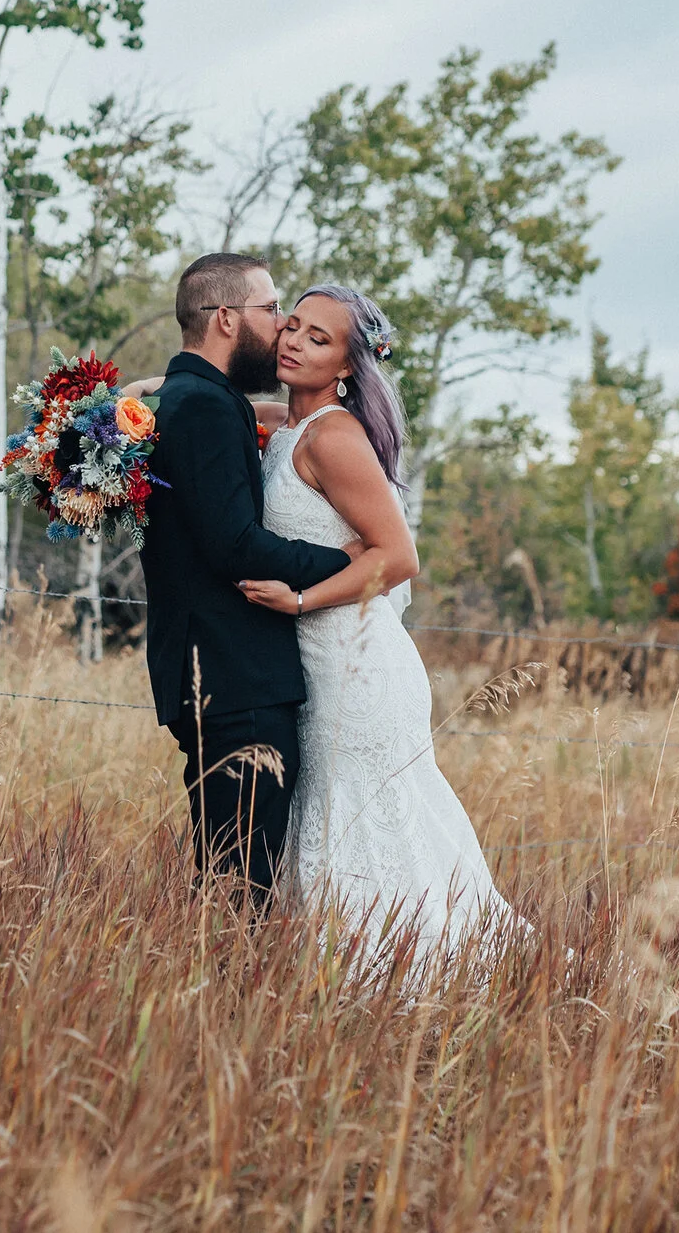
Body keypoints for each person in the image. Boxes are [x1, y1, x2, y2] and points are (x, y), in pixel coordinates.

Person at [236, 283, 521, 967]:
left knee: (362, 827)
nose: (294, 340)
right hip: (319, 665)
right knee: (341, 824)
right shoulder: (297, 425)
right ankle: (358, 975)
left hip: (353, 668)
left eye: (318, 338)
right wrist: (156, 391)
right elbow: (247, 411)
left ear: (346, 368)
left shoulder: (334, 437)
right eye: (293, 325)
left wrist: (301, 600)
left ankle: (398, 976)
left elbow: (399, 556)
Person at [136, 253, 354, 910]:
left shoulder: (198, 397)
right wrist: (346, 562)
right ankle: (227, 1006)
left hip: (218, 677)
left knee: (231, 881)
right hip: (235, 681)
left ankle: (218, 1002)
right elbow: (234, 543)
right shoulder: (201, 406)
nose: (282, 323)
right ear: (227, 318)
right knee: (242, 892)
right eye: (271, 308)